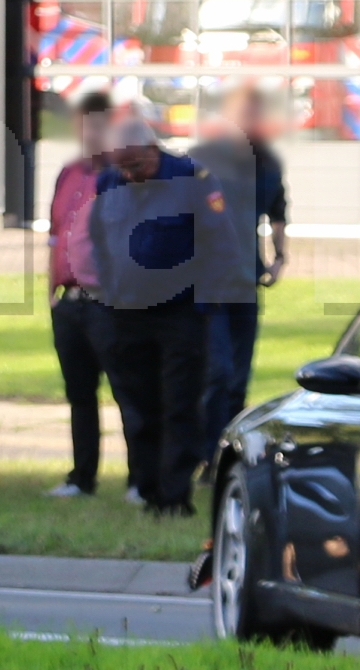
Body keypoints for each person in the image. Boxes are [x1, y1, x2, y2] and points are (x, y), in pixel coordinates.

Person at [85, 108, 207, 513]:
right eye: (123, 168)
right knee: (138, 407)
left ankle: (174, 498)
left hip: (178, 315)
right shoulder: (109, 180)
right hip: (125, 313)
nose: (130, 175)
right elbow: (100, 236)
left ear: (153, 149)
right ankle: (148, 488)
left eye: (136, 165)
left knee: (179, 406)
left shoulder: (191, 179)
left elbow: (218, 243)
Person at [193, 83, 287, 462]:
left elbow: (278, 211)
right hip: (206, 284)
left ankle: (226, 454)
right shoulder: (203, 160)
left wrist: (280, 257)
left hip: (245, 283)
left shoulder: (267, 164)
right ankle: (204, 453)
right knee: (216, 371)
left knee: (238, 377)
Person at [40, 88, 116, 499]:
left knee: (127, 391)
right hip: (67, 302)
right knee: (79, 393)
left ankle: (141, 480)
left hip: (106, 301)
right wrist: (50, 289)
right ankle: (82, 477)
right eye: (88, 127)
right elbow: (55, 235)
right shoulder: (68, 173)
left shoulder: (123, 177)